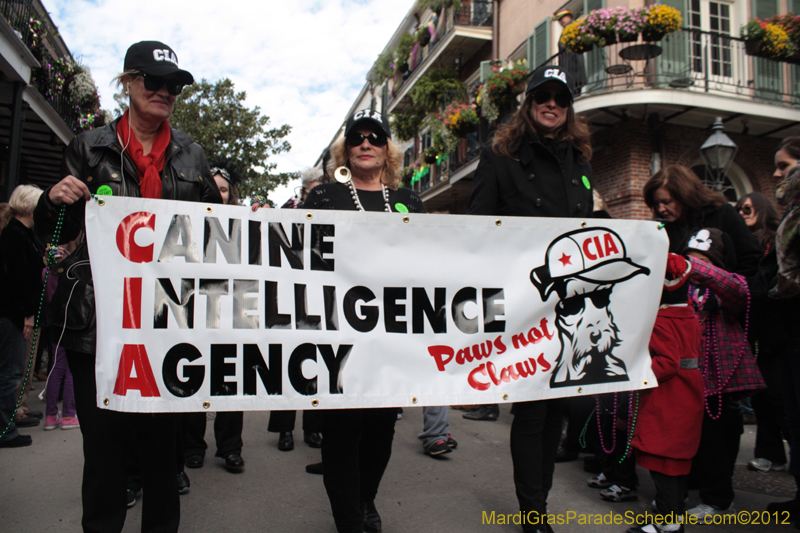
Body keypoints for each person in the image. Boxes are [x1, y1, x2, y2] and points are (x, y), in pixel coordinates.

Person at [33, 40, 221, 533]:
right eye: (154, 82)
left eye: (174, 86)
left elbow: (216, 234)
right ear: (129, 83)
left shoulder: (192, 155)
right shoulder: (89, 146)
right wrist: (54, 201)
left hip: (167, 323)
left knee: (163, 458)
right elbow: (49, 232)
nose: (165, 93)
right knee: (105, 457)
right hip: (99, 325)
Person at [467, 64, 593, 533]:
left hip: (570, 300)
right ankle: (533, 511)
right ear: (529, 102)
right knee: (533, 408)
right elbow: (479, 228)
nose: (552, 105)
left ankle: (540, 500)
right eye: (543, 96)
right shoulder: (500, 155)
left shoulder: (580, 158)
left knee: (559, 404)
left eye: (560, 98)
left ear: (569, 106)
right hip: (522, 299)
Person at [303, 108, 424, 533]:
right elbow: (302, 260)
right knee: (342, 429)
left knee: (380, 431)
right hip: (338, 330)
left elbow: (427, 264)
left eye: (375, 137)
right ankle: (349, 520)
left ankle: (366, 497)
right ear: (346, 149)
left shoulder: (409, 202)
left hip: (391, 334)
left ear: (387, 148)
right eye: (357, 138)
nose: (366, 144)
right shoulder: (323, 197)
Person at [681, 228, 765, 520]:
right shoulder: (684, 287)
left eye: (701, 259)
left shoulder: (732, 283)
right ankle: (704, 485)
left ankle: (718, 500)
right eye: (689, 259)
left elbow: (737, 293)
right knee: (701, 438)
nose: (693, 266)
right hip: (693, 376)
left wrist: (697, 268)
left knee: (718, 438)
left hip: (724, 376)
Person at [629, 253, 704, 533]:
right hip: (689, 393)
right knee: (677, 461)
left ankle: (668, 523)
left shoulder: (661, 320)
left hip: (668, 397)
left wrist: (639, 375)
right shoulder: (691, 317)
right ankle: (671, 515)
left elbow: (667, 362)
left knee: (663, 463)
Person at [183, 161, 246, 473]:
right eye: (213, 188)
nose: (218, 194)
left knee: (231, 382)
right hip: (196, 312)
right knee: (194, 379)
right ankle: (193, 447)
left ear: (230, 194)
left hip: (232, 315)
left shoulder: (243, 224)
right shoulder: (187, 223)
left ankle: (230, 447)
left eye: (223, 189)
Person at [734, 192, 788, 474]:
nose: (741, 214)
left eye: (747, 209)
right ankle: (770, 454)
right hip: (751, 329)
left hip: (774, 330)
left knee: (777, 394)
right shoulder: (742, 244)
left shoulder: (773, 242)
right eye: (739, 209)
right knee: (762, 396)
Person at [761, 136, 800, 525]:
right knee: (794, 417)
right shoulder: (792, 213)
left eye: (784, 166)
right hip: (787, 332)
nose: (776, 174)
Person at [643, 165, 761, 277]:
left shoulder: (723, 214)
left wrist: (734, 289)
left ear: (684, 195)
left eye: (667, 202)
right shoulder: (663, 228)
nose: (661, 209)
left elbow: (749, 258)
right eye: (656, 203)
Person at [0, 185, 44, 448]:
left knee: (13, 371)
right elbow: (16, 280)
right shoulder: (15, 236)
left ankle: (9, 422)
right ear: (30, 206)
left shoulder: (23, 234)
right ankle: (6, 430)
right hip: (13, 316)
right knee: (10, 373)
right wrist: (28, 313)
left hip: (16, 313)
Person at [554, 10, 587, 92]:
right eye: (559, 20)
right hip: (568, 69)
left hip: (574, 68)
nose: (561, 21)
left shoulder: (573, 26)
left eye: (562, 18)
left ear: (569, 16)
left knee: (574, 91)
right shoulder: (566, 29)